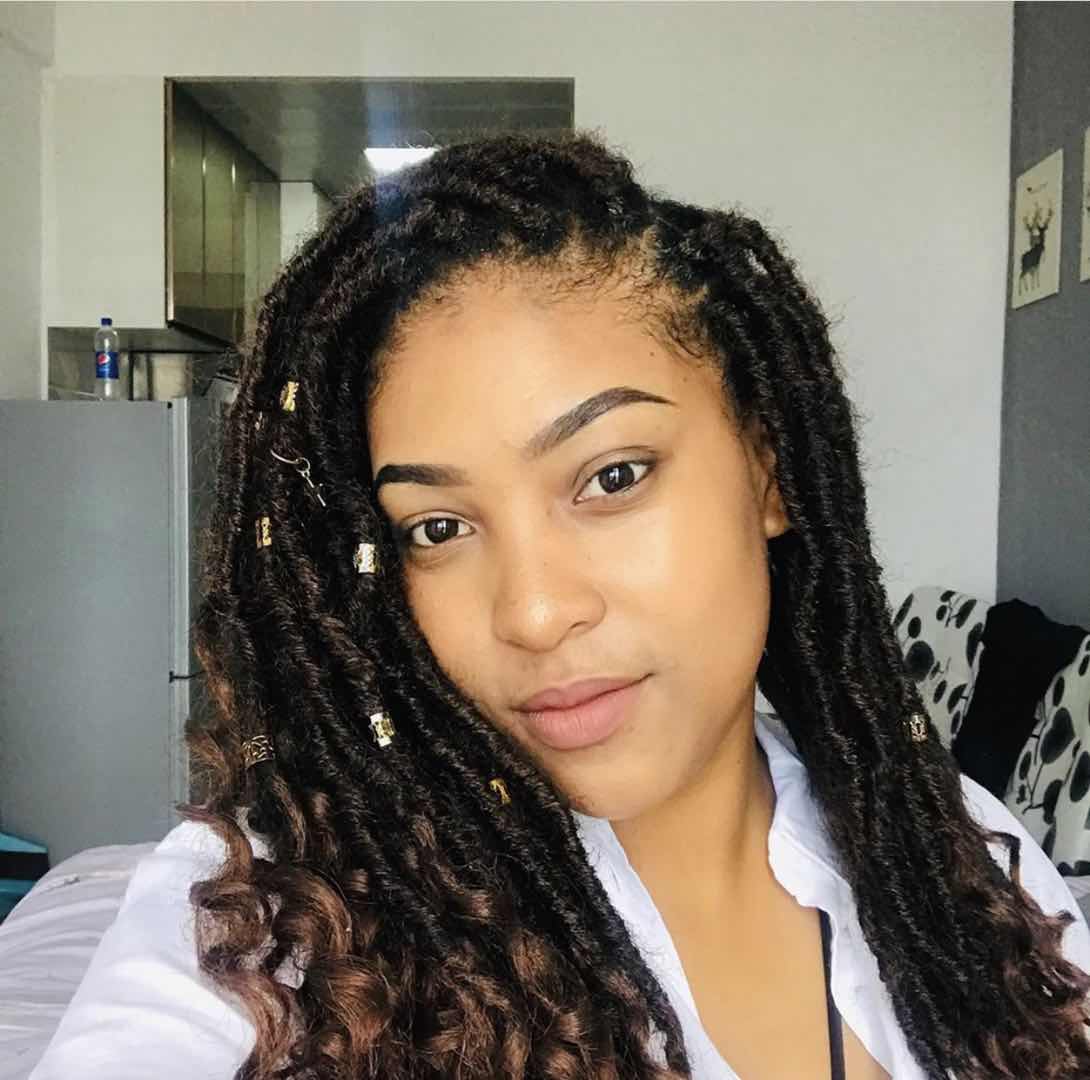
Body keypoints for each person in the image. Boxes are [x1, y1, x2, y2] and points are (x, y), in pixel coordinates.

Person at [28, 129, 1090, 1080]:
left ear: (768, 470)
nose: (534, 613)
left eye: (612, 477)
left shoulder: (956, 847)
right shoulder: (279, 911)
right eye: (436, 529)